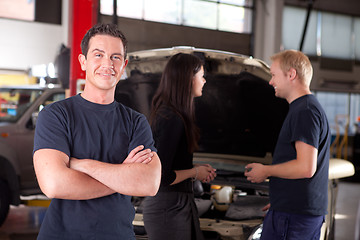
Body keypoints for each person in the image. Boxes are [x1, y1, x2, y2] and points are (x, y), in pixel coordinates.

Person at [33, 23, 161, 239]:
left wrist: (82, 164)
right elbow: (54, 184)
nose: (107, 64)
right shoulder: (56, 115)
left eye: (115, 57)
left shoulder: (136, 122)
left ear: (124, 65)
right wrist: (122, 175)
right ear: (83, 61)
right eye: (98, 55)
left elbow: (148, 183)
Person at [244, 50, 331, 240]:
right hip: (294, 211)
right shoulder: (304, 108)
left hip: (294, 217)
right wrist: (281, 202)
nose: (270, 81)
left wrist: (266, 171)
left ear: (291, 74)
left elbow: (306, 167)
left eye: (274, 75)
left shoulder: (305, 111)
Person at [143, 53, 217, 240]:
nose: (204, 81)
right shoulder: (172, 118)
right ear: (189, 80)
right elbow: (162, 176)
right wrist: (195, 173)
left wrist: (198, 170)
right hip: (167, 208)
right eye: (201, 76)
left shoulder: (171, 114)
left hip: (174, 204)